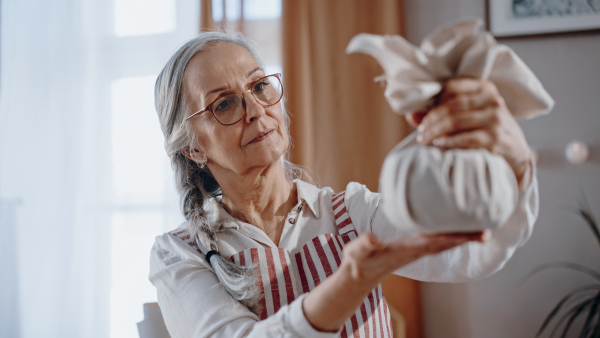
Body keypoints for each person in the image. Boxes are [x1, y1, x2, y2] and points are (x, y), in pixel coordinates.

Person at [149, 31, 537, 338]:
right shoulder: (178, 254)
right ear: (193, 148)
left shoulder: (352, 213)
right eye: (224, 104)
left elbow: (471, 255)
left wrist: (516, 165)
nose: (255, 110)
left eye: (259, 86)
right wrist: (353, 281)